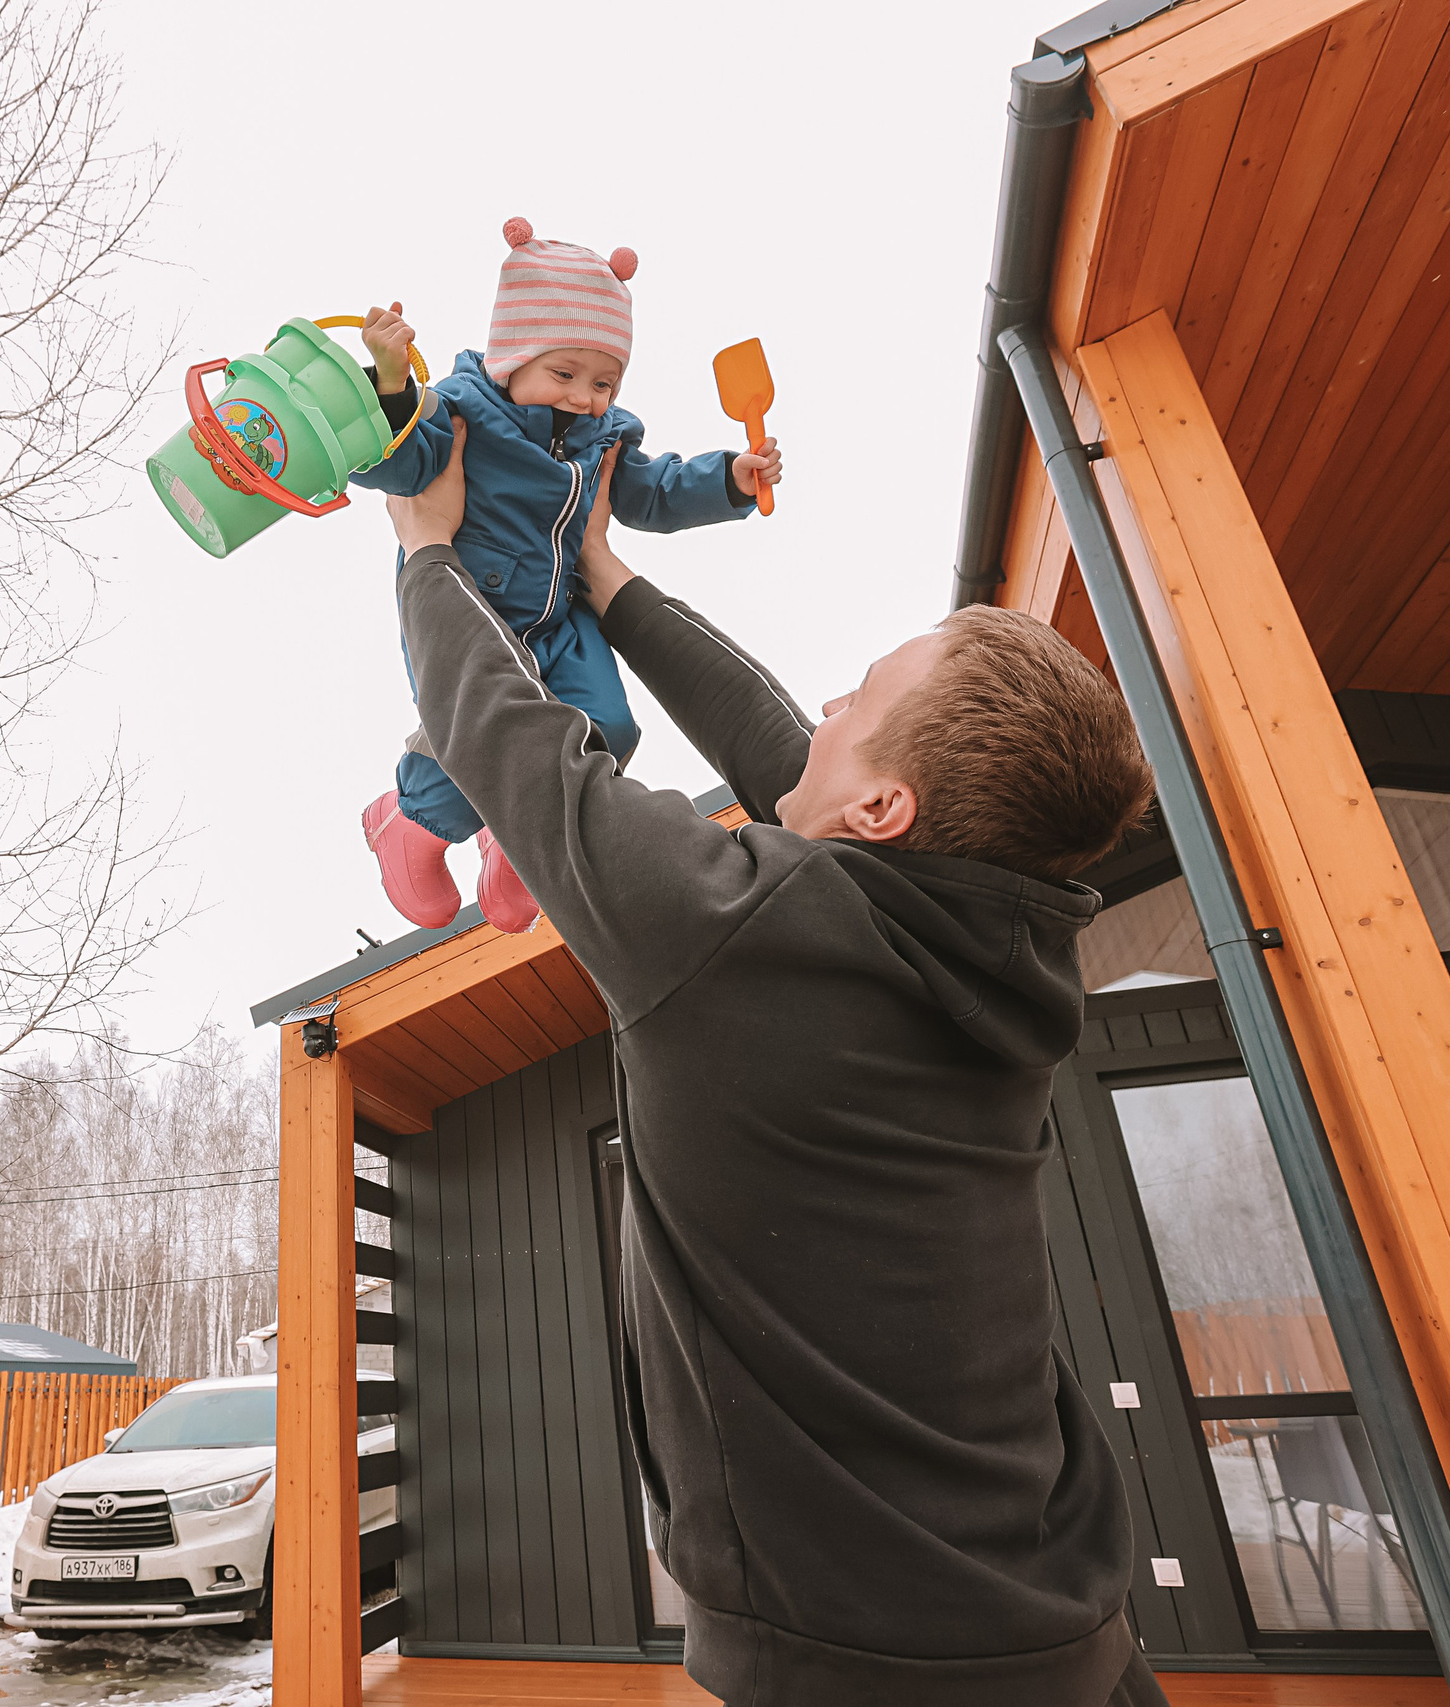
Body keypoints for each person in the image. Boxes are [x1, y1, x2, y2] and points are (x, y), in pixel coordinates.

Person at [381, 429, 1166, 1706]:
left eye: (856, 699)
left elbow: (518, 751)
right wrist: (606, 578)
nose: (825, 711)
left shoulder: (742, 930)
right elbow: (790, 758)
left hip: (872, 1670)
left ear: (883, 816)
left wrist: (425, 548)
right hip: (1065, 1629)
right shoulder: (1001, 945)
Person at [345, 216, 784, 935]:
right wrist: (391, 387)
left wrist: (730, 480)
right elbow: (392, 463)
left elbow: (652, 491)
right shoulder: (458, 412)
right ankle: (408, 819)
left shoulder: (605, 436)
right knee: (480, 732)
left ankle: (516, 847)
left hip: (563, 619)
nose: (586, 397)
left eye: (605, 380)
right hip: (472, 610)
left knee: (607, 727)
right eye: (566, 375)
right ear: (510, 357)